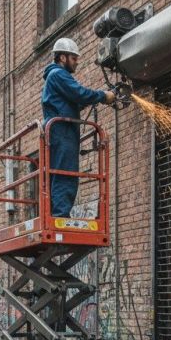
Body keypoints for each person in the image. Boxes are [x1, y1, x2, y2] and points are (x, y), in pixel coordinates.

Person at [41, 37, 116, 217]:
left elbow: (72, 99)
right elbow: (79, 93)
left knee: (59, 172)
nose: (77, 62)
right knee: (65, 173)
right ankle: (60, 216)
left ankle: (57, 214)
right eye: (74, 58)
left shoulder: (54, 77)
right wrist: (103, 96)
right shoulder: (58, 74)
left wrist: (82, 104)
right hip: (63, 133)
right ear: (62, 58)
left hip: (62, 132)